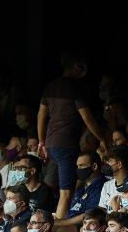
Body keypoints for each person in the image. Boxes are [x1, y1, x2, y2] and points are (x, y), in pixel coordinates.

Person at [38, 50, 107, 219]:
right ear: (77, 66)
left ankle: (52, 220)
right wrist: (102, 139)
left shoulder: (51, 86)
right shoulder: (76, 88)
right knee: (66, 193)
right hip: (66, 144)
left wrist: (41, 141)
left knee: (55, 186)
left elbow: (41, 115)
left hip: (51, 143)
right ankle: (58, 229)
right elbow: (87, 117)